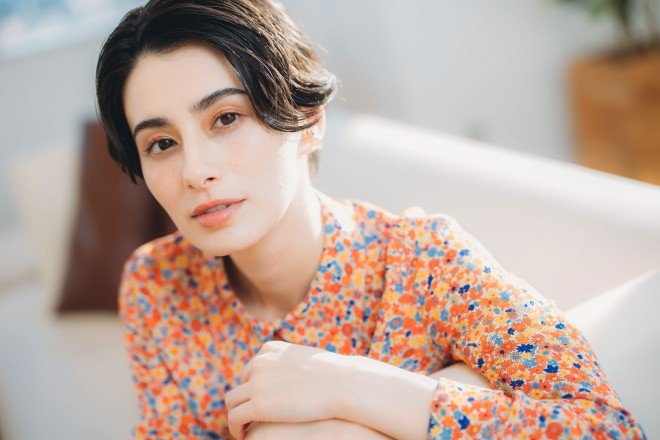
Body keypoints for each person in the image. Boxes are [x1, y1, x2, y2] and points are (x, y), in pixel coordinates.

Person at [95, 1, 646, 439]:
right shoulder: (155, 285)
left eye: (226, 118)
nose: (195, 171)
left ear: (308, 121)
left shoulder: (423, 260)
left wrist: (354, 388)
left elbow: (605, 428)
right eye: (161, 143)